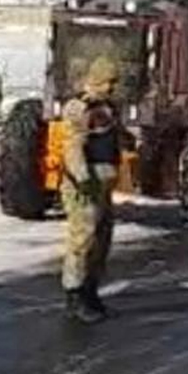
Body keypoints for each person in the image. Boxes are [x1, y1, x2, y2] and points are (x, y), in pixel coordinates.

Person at [60, 56, 123, 324]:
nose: (112, 88)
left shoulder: (107, 107)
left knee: (102, 241)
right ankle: (75, 295)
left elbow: (110, 136)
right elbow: (73, 147)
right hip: (85, 185)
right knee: (82, 240)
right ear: (97, 79)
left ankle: (91, 291)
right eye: (109, 82)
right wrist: (82, 178)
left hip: (104, 184)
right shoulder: (79, 108)